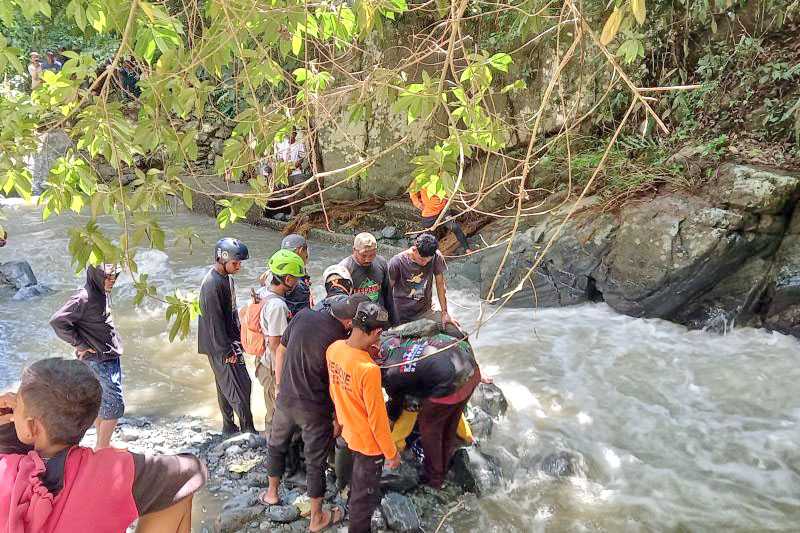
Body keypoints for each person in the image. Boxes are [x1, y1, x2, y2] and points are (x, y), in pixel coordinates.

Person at [0, 358, 207, 532]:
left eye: (16, 404)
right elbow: (191, 471)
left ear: (31, 427)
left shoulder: (7, 469)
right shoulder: (106, 469)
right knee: (177, 493)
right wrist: (124, 461)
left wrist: (8, 428)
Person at [260, 295, 367, 531]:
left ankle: (271, 494)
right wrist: (337, 419)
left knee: (276, 445)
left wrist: (279, 386)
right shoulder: (340, 340)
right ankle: (317, 518)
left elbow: (280, 351)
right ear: (350, 323)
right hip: (314, 408)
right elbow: (337, 383)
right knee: (315, 461)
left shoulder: (303, 315)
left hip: (286, 400)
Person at [327, 301, 400, 533]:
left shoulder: (334, 349)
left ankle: (346, 494)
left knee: (355, 483)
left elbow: (334, 389)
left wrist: (338, 420)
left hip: (348, 430)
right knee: (363, 500)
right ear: (377, 332)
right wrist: (391, 453)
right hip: (369, 445)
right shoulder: (369, 370)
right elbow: (377, 420)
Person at [378, 332, 481, 487]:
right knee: (450, 424)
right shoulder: (402, 347)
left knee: (431, 431)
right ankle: (449, 458)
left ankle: (434, 478)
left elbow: (396, 407)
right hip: (471, 370)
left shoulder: (391, 376)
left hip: (450, 384)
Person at [50, 263, 124, 450]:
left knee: (103, 403)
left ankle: (102, 443)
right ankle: (103, 449)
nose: (112, 280)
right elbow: (58, 321)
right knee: (115, 404)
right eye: (107, 276)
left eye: (114, 276)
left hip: (107, 357)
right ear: (95, 276)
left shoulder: (99, 292)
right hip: (98, 360)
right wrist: (80, 344)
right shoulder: (83, 297)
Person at [198, 238, 256, 434]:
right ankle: (248, 430)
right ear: (221, 259)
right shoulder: (212, 285)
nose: (238, 266)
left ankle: (229, 427)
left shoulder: (226, 279)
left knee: (225, 386)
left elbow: (231, 313)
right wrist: (226, 350)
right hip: (220, 345)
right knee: (240, 386)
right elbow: (213, 322)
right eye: (235, 263)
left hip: (226, 342)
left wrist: (239, 338)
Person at [254, 249, 304, 434]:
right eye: (296, 279)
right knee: (277, 411)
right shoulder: (277, 307)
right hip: (272, 367)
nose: (298, 283)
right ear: (288, 279)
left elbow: (264, 277)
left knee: (274, 410)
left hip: (263, 361)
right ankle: (274, 452)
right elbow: (277, 347)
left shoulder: (264, 291)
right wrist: (279, 384)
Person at [388, 233, 461, 337]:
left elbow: (440, 285)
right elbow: (386, 291)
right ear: (414, 249)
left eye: (428, 260)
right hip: (401, 314)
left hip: (424, 312)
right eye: (422, 259)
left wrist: (445, 313)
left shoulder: (436, 257)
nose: (424, 263)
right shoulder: (397, 262)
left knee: (456, 332)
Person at [339, 232, 398, 325]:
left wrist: (395, 322)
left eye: (372, 255)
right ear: (354, 250)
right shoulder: (345, 269)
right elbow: (340, 304)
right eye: (364, 255)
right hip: (357, 320)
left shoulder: (381, 263)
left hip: (379, 316)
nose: (368, 259)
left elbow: (388, 296)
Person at [409, 187, 472, 254]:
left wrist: (447, 202)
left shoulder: (443, 177)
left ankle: (467, 248)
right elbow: (412, 192)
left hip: (443, 210)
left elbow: (449, 189)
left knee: (455, 227)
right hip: (429, 213)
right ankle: (432, 255)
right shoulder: (421, 179)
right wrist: (418, 204)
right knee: (429, 236)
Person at [274, 128, 307, 215]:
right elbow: (280, 158)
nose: (289, 136)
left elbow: (302, 158)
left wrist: (293, 168)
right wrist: (282, 169)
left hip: (296, 171)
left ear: (295, 134)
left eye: (292, 134)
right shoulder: (282, 144)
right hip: (285, 172)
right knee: (289, 192)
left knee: (300, 190)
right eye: (288, 133)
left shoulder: (299, 144)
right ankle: (293, 210)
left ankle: (297, 208)